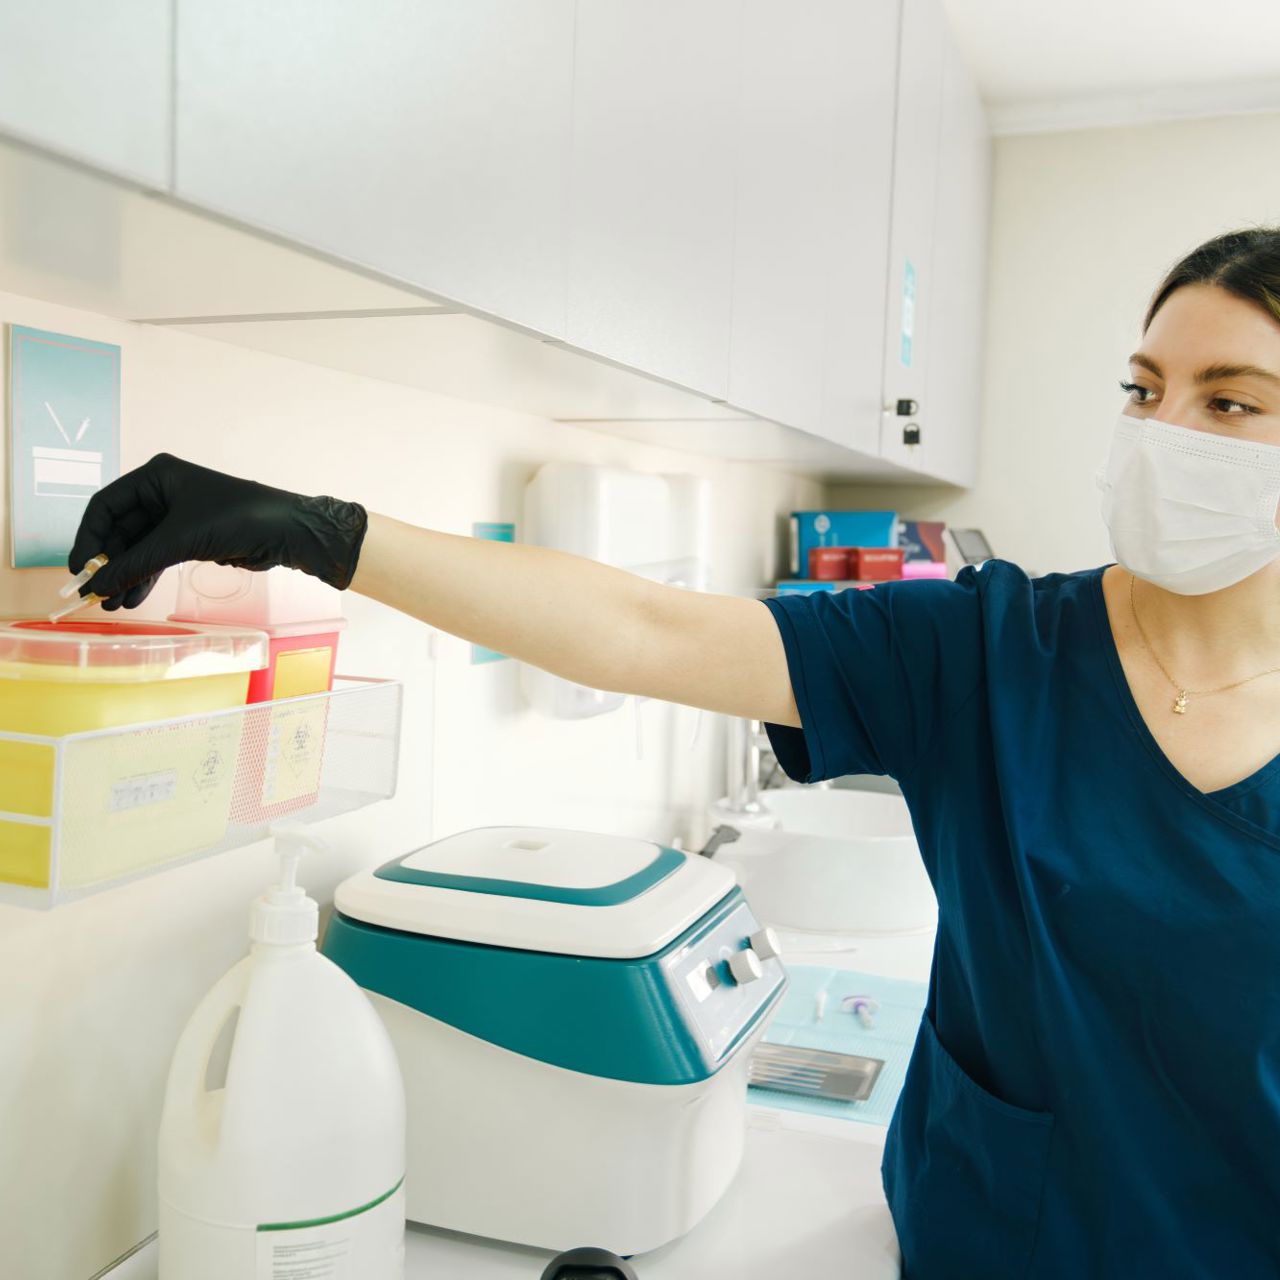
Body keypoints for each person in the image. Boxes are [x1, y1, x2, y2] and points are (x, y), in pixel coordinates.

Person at [69, 226, 1280, 1278]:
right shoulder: (989, 644)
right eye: (1141, 388)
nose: (1162, 432)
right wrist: (324, 532)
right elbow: (642, 626)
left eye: (1227, 402)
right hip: (988, 1248)